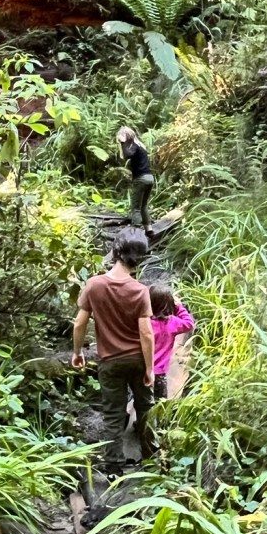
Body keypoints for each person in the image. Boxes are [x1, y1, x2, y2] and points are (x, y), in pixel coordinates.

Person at [71, 229, 156, 468]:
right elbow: (146, 333)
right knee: (146, 407)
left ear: (116, 251)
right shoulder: (140, 291)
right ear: (139, 258)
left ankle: (113, 466)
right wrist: (150, 368)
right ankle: (152, 458)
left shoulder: (94, 285)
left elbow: (79, 322)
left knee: (113, 414)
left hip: (109, 361)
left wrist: (77, 353)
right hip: (137, 359)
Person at [148, 282, 196, 400]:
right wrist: (179, 307)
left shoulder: (144, 323)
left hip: (142, 369)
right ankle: (158, 418)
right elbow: (189, 324)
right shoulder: (172, 322)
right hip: (160, 372)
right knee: (159, 400)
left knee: (142, 398)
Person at [117, 127, 154, 230]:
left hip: (141, 179)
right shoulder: (140, 145)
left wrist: (123, 142)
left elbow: (127, 155)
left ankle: (135, 231)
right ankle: (149, 229)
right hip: (149, 178)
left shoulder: (133, 146)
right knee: (143, 206)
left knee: (136, 208)